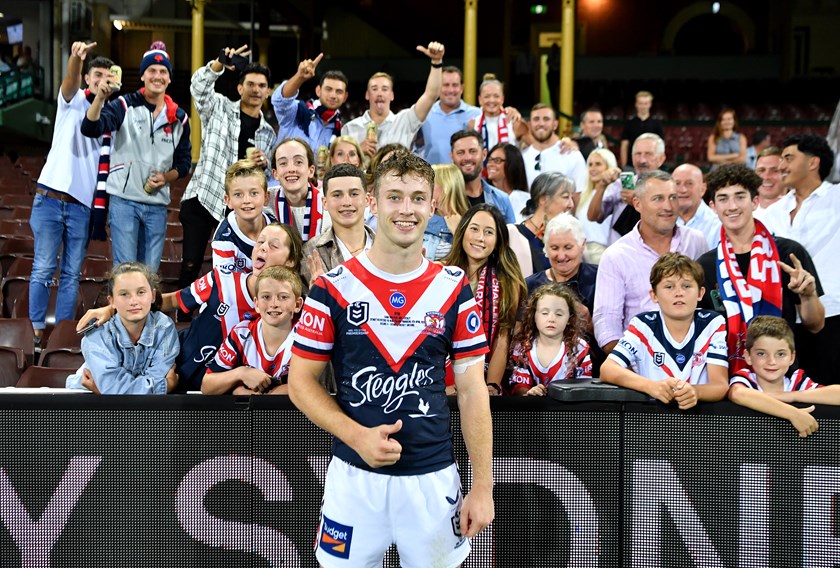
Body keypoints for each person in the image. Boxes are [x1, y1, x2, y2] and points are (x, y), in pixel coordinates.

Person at [288, 152, 494, 567]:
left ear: (432, 206)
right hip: (354, 480)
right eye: (394, 196)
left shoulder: (454, 288)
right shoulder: (332, 287)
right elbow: (301, 383)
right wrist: (356, 436)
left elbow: (473, 391)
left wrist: (483, 486)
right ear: (372, 202)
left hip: (434, 482)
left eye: (417, 198)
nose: (406, 209)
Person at [78, 223, 303, 390]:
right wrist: (115, 309)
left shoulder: (289, 307)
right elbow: (174, 300)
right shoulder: (221, 279)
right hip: (179, 373)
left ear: (291, 261)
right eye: (260, 242)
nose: (263, 248)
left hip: (223, 386)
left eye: (273, 246)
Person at [698, 164, 824, 375]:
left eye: (740, 196)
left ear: (755, 201)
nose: (732, 206)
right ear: (713, 206)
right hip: (728, 379)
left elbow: (815, 325)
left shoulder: (788, 253)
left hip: (782, 375)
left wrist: (808, 295)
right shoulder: (707, 264)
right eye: (723, 199)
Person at [29, 42, 113, 345]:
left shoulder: (112, 116)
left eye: (107, 75)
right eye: (97, 74)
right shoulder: (74, 99)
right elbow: (70, 80)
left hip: (81, 207)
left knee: (70, 276)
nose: (102, 80)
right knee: (42, 268)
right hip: (50, 197)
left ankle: (62, 336)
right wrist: (76, 60)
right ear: (88, 79)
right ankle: (36, 331)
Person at [80, 41, 191, 272]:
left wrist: (166, 177)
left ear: (169, 78)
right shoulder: (124, 105)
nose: (157, 76)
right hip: (124, 202)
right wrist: (100, 98)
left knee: (149, 275)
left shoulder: (179, 118)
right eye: (151, 70)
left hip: (157, 206)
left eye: (163, 72)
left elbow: (184, 163)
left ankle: (147, 310)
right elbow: (90, 128)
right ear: (142, 76)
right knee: (125, 272)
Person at [179, 45, 275, 293]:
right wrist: (218, 64)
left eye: (261, 85)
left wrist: (264, 165)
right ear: (240, 88)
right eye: (250, 84)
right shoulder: (219, 107)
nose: (255, 90)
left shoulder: (268, 133)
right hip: (205, 196)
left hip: (240, 206)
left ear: (268, 91)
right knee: (191, 264)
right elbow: (198, 87)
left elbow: (263, 180)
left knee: (233, 268)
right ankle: (183, 320)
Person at [593, 170, 708, 353]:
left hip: (693, 359)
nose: (668, 207)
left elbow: (706, 304)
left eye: (673, 198)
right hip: (637, 363)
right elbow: (607, 323)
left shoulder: (696, 241)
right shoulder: (616, 255)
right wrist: (628, 368)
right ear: (637, 204)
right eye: (658, 199)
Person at [757, 134, 840, 385]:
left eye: (788, 158)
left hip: (833, 315)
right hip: (785, 321)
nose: (782, 165)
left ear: (813, 162)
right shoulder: (772, 213)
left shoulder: (837, 197)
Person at [599, 253, 729, 408]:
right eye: (669, 286)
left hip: (699, 421)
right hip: (651, 420)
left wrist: (695, 392)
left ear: (700, 293)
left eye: (686, 286)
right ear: (654, 295)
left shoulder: (712, 323)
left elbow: (720, 386)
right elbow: (607, 370)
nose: (679, 292)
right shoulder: (643, 325)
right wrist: (652, 386)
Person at [443, 204, 526, 395]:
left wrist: (492, 385)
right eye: (474, 229)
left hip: (485, 374)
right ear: (463, 232)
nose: (480, 238)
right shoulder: (442, 273)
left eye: (489, 232)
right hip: (443, 380)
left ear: (497, 241)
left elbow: (503, 338)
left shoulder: (508, 281)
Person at [67, 262, 178, 394]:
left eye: (141, 292)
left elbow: (116, 389)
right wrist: (164, 386)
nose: (134, 301)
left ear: (153, 296)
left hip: (143, 410)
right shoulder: (97, 334)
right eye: (124, 294)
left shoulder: (165, 328)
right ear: (111, 301)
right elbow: (113, 386)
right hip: (88, 403)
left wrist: (109, 391)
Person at [728, 316, 840, 437]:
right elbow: (737, 394)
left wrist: (789, 396)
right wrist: (793, 414)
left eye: (780, 354)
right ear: (748, 356)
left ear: (792, 357)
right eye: (761, 353)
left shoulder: (797, 381)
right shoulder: (746, 379)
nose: (772, 361)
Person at [202, 266, 304, 395]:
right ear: (256, 303)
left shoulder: (306, 336)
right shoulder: (241, 334)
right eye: (266, 297)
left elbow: (311, 387)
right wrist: (241, 373)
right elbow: (207, 386)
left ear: (297, 304)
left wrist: (260, 397)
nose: (274, 304)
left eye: (283, 297)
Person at [343, 42, 446, 158]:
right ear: (367, 95)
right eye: (374, 89)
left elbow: (431, 95)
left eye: (385, 89)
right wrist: (356, 151)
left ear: (392, 95)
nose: (380, 93)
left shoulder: (405, 121)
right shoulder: (350, 128)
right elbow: (340, 164)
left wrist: (437, 62)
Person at [508, 283, 592, 396]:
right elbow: (518, 387)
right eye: (544, 313)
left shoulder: (580, 348)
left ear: (569, 318)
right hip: (530, 411)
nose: (551, 319)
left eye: (559, 314)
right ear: (534, 316)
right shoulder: (522, 347)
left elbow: (584, 391)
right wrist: (528, 394)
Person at [302, 164, 374, 286]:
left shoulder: (387, 246)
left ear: (367, 200)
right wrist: (317, 295)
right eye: (337, 195)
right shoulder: (312, 251)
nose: (346, 202)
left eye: (354, 194)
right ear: (325, 203)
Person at [588, 133, 666, 242]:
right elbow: (593, 217)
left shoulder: (668, 188)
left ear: (661, 159)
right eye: (638, 154)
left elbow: (666, 222)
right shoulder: (621, 184)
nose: (642, 160)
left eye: (648, 154)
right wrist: (601, 185)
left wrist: (638, 204)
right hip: (617, 252)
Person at [272, 52, 348, 152]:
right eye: (328, 89)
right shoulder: (297, 111)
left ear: (345, 97)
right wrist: (300, 77)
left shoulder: (343, 131)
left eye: (339, 91)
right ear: (318, 91)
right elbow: (280, 101)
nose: (333, 95)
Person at [211, 159, 276, 273]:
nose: (246, 200)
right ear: (228, 200)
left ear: (266, 197)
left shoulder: (275, 225)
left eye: (254, 193)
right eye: (238, 194)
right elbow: (225, 285)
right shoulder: (224, 238)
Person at [414, 65, 480, 165]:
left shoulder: (476, 114)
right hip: (431, 177)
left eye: (455, 85)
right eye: (446, 85)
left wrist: (511, 113)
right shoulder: (425, 112)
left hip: (464, 179)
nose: (450, 90)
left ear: (462, 88)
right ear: (439, 87)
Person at [514, 172, 577, 273]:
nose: (571, 205)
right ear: (543, 199)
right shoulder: (516, 235)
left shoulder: (570, 236)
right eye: (565, 197)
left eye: (572, 198)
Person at [450, 129, 515, 223]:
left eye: (473, 151)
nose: (467, 158)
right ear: (452, 157)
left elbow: (511, 236)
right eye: (460, 152)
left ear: (484, 154)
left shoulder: (501, 199)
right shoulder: (443, 198)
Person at [520, 103, 587, 192]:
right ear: (529, 125)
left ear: (555, 124)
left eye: (546, 119)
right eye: (536, 119)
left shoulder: (572, 155)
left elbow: (579, 194)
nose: (541, 123)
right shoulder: (522, 157)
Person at [270, 137, 326, 243]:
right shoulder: (265, 201)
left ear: (311, 170)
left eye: (298, 162)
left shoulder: (327, 203)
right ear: (275, 173)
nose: (291, 169)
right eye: (283, 163)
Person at [467, 74, 527, 155]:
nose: (491, 100)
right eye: (487, 96)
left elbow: (534, 144)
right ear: (480, 100)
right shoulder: (473, 123)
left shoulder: (513, 121)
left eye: (496, 96)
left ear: (502, 99)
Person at [575, 148, 617, 263]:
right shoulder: (583, 195)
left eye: (598, 164)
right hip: (581, 250)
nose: (593, 169)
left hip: (603, 250)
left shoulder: (613, 193)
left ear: (609, 167)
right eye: (590, 165)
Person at [672, 163, 721, 250]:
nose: (682, 190)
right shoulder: (663, 221)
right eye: (677, 183)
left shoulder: (718, 225)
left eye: (689, 183)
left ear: (703, 188)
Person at [425, 163, 468, 261]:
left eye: (431, 183)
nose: (425, 188)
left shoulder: (470, 221)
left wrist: (459, 232)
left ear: (446, 187)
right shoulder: (423, 217)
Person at [485, 143, 530, 223]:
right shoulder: (482, 195)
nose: (490, 164)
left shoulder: (526, 200)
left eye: (497, 161)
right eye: (489, 160)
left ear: (512, 164)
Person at [619, 91, 664, 168]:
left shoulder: (657, 124)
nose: (643, 106)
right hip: (631, 165)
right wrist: (624, 165)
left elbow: (660, 147)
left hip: (651, 166)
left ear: (650, 104)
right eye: (641, 103)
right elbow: (624, 146)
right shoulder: (629, 123)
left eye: (646, 103)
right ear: (636, 104)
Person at [753, 146, 787, 221]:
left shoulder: (798, 212)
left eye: (775, 170)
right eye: (761, 170)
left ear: (786, 174)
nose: (766, 176)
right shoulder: (744, 213)